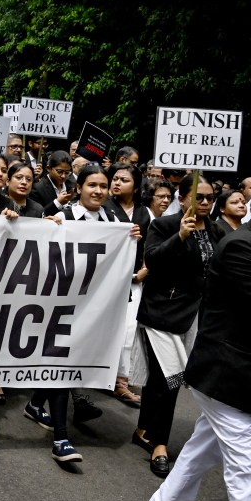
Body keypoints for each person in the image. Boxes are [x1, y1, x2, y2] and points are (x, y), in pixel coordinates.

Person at [146, 173, 251, 501]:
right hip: (225, 375)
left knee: (202, 448)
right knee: (246, 468)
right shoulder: (243, 246)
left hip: (245, 376)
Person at [25, 164, 135, 464]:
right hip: (59, 306)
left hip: (91, 309)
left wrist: (130, 238)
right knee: (62, 364)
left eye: (103, 185)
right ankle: (60, 438)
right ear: (79, 188)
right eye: (92, 185)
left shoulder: (114, 221)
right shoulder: (63, 218)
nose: (98, 191)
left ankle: (35, 404)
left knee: (66, 362)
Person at [132, 173, 222, 481]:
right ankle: (159, 445)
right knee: (172, 378)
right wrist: (180, 237)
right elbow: (152, 260)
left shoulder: (215, 230)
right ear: (182, 198)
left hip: (195, 318)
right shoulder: (165, 225)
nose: (206, 203)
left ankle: (144, 429)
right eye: (200, 197)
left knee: (159, 379)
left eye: (211, 198)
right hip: (162, 314)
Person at [105, 162, 150, 408]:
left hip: (134, 281)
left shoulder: (143, 213)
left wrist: (144, 269)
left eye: (124, 179)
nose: (117, 183)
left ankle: (121, 380)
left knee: (129, 331)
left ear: (136, 186)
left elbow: (149, 246)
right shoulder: (104, 208)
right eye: (115, 178)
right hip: (108, 280)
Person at [30, 150, 74, 216]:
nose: (63, 176)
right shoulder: (37, 188)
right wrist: (57, 203)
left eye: (67, 172)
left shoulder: (72, 186)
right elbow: (37, 215)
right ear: (49, 168)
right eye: (59, 172)